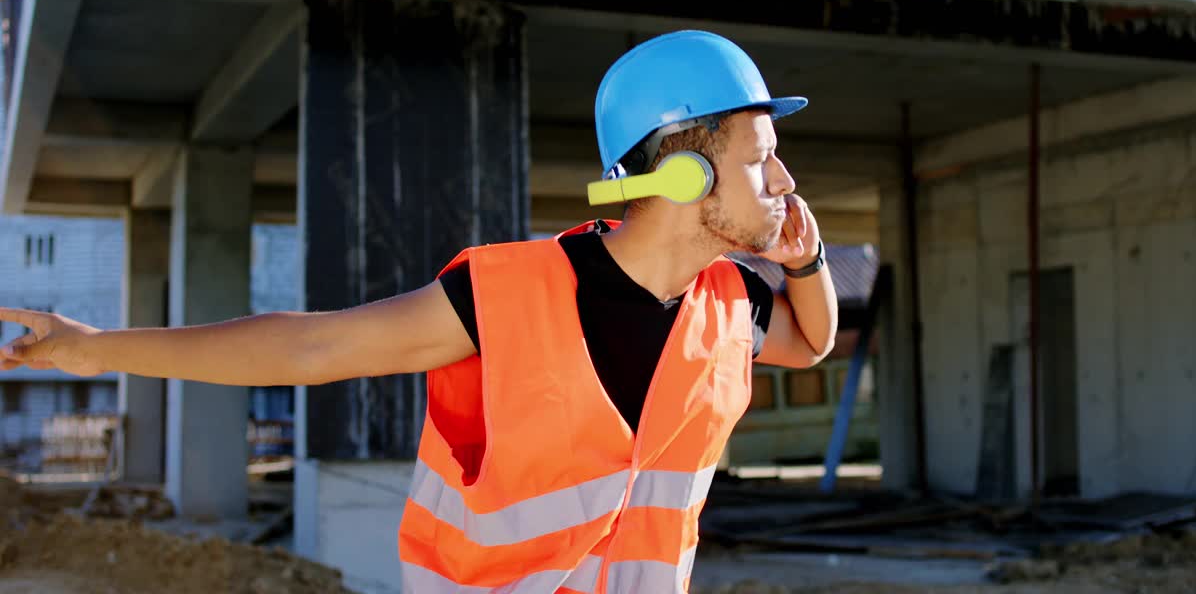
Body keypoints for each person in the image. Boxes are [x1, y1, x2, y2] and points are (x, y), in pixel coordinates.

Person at [0, 30, 837, 593]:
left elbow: (811, 341)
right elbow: (308, 349)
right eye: (762, 159)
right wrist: (97, 347)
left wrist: (807, 259)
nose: (785, 182)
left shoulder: (733, 306)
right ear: (687, 173)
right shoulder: (510, 293)